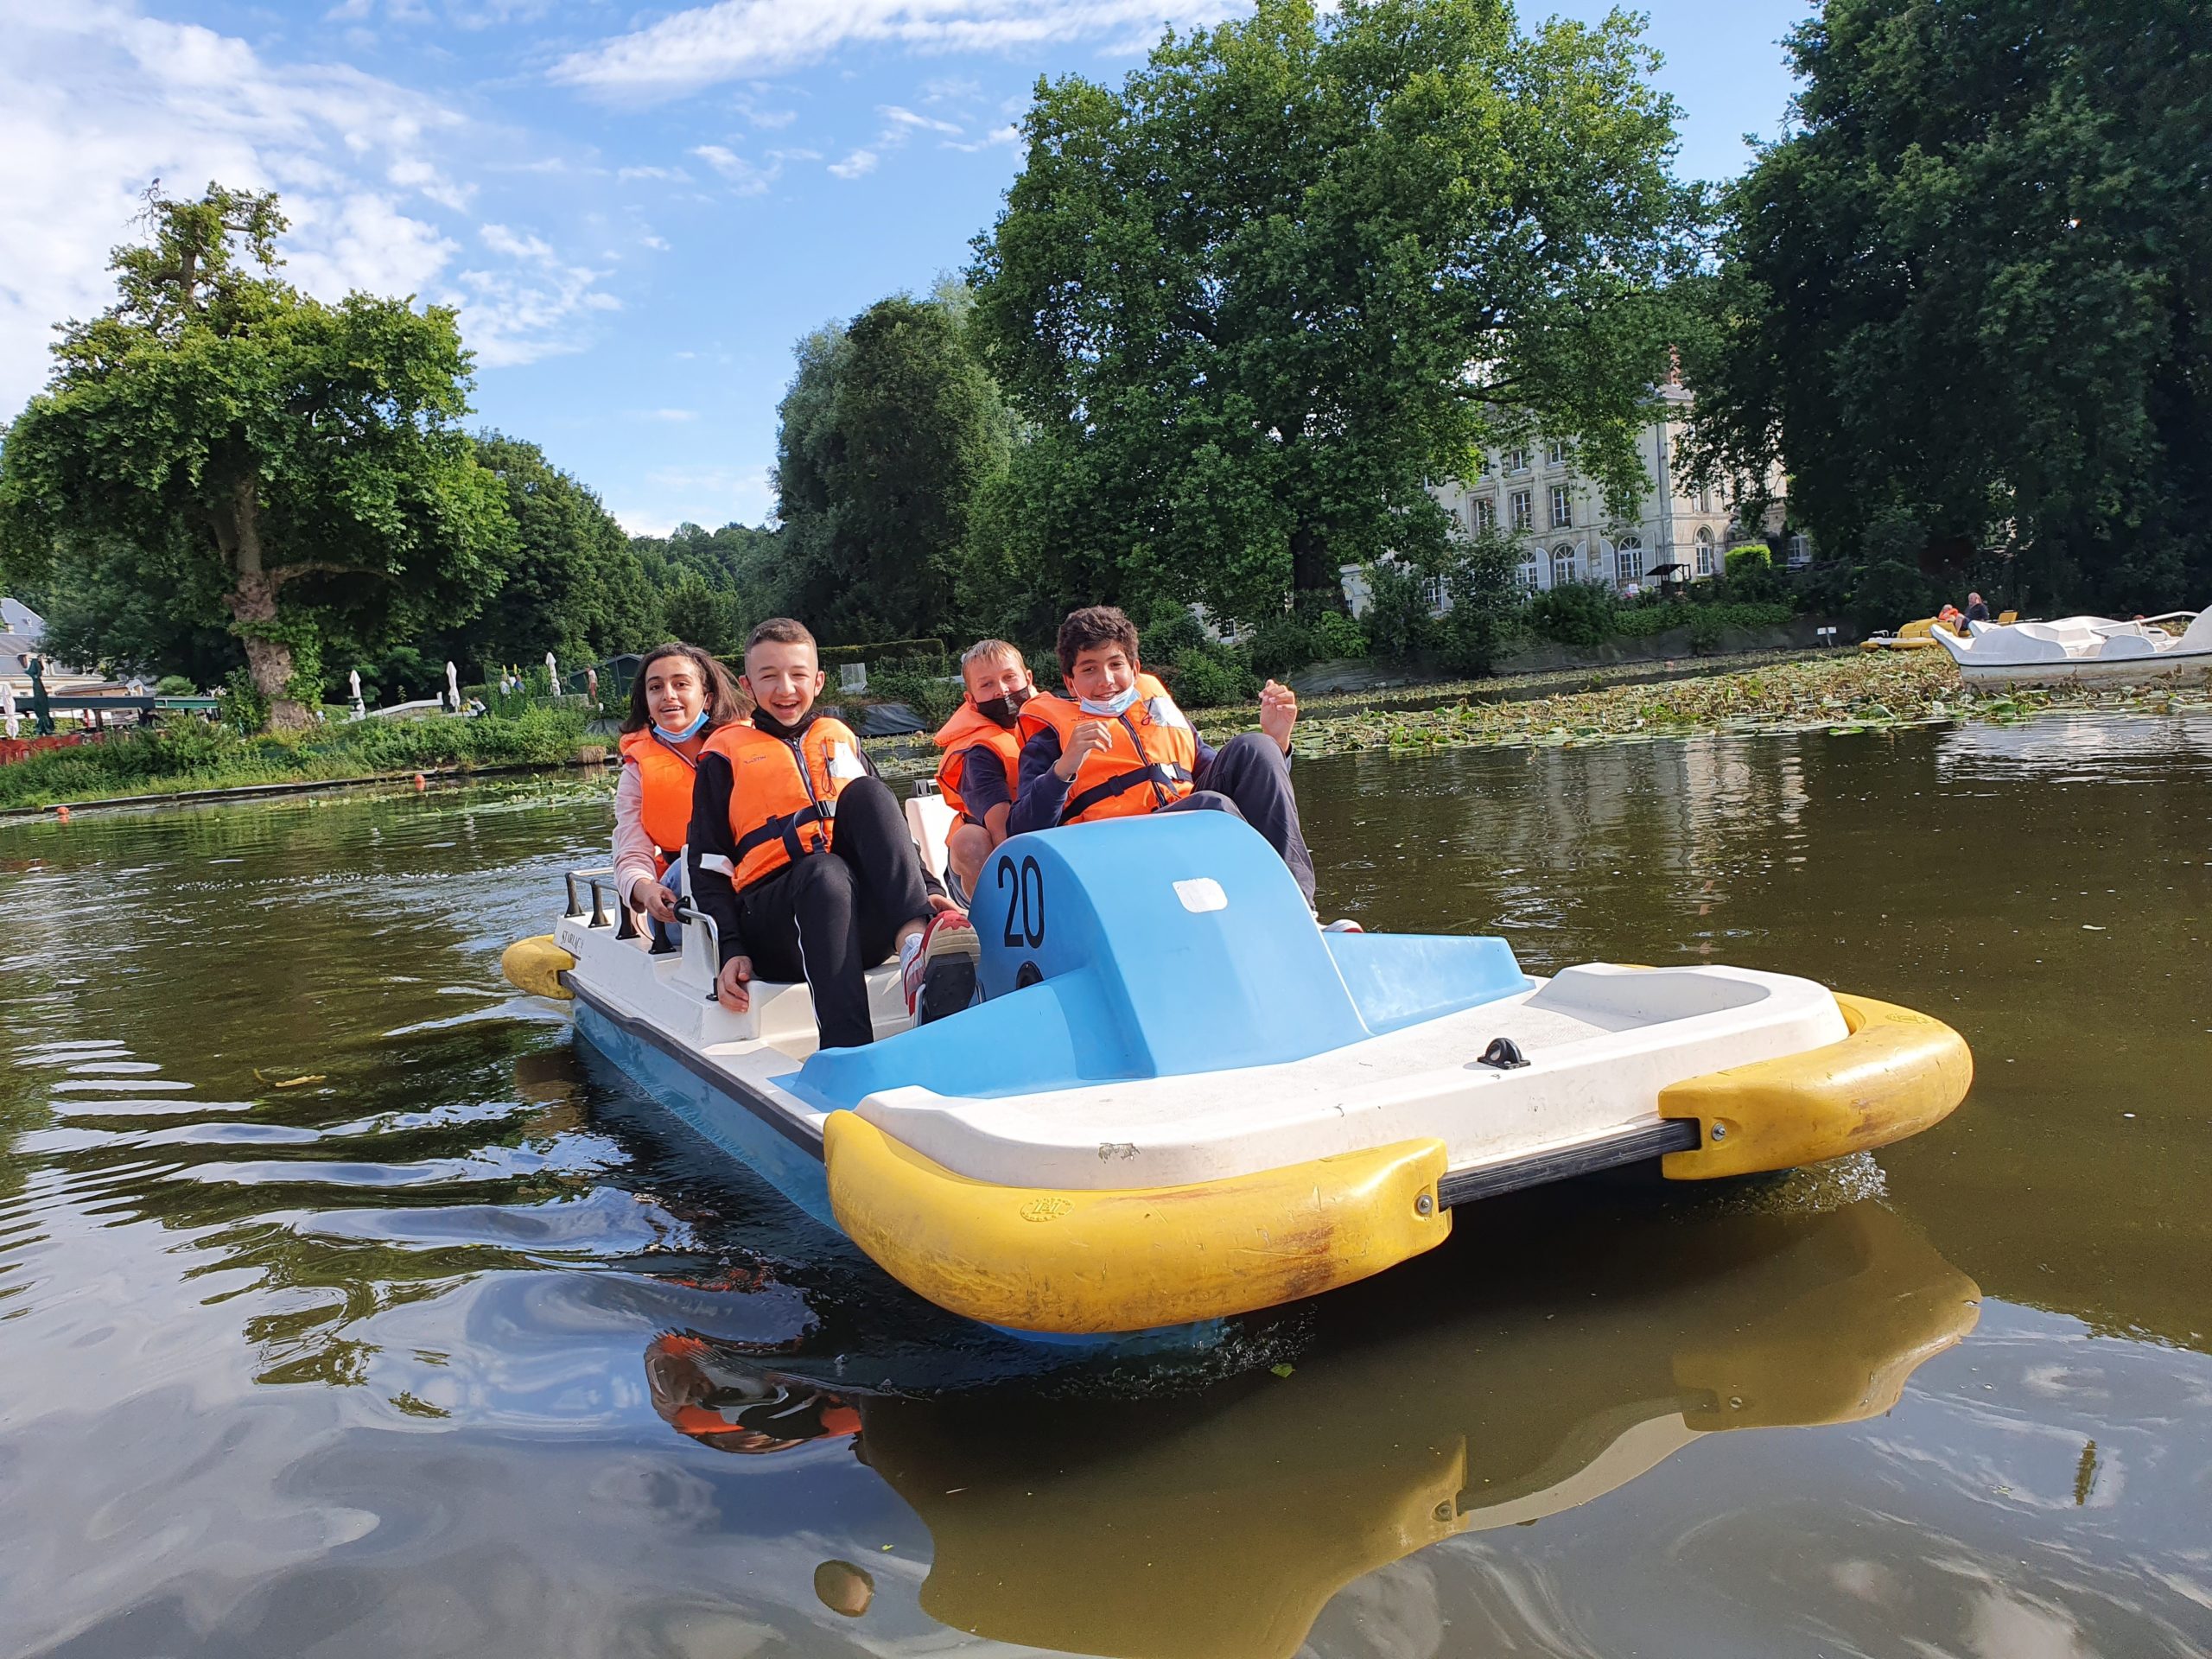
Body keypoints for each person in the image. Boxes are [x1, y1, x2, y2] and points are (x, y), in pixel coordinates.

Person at [689, 619, 976, 1046]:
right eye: (769, 677)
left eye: (798, 675)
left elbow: (886, 831)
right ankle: (847, 1048)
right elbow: (709, 867)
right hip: (777, 930)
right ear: (748, 687)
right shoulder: (722, 756)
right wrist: (729, 947)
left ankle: (915, 945)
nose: (786, 688)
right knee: (824, 873)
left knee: (869, 792)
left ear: (819, 681)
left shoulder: (839, 738)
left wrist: (929, 887)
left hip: (859, 922)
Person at [1007, 605, 1317, 903]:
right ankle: (1264, 901)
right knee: (1212, 807)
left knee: (1256, 747)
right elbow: (1021, 829)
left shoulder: (1159, 709)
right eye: (1089, 669)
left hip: (1181, 818)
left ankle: (1299, 904)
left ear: (1135, 668)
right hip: (1113, 846)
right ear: (1070, 682)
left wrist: (1279, 741)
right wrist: (1064, 768)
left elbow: (1218, 771)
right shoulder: (1050, 736)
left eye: (1116, 665)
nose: (1106, 680)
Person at [614, 642, 750, 950]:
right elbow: (631, 850)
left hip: (752, 874)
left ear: (707, 698)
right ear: (646, 702)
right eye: (656, 687)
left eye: (681, 684)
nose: (668, 695)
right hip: (682, 893)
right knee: (691, 865)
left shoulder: (748, 749)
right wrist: (644, 888)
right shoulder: (637, 771)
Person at [930, 639, 1071, 902]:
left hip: (1053, 833)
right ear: (970, 699)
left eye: (1009, 677)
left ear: (1028, 678)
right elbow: (1003, 834)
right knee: (971, 840)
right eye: (987, 684)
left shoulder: (1057, 723)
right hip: (990, 854)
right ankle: (997, 920)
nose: (1002, 691)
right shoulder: (978, 752)